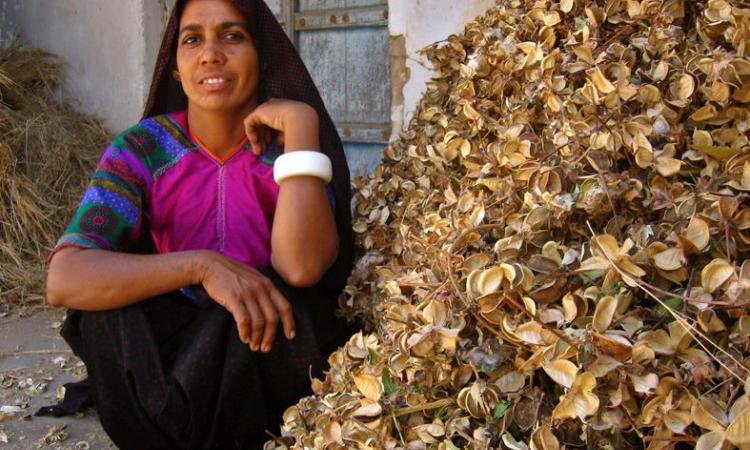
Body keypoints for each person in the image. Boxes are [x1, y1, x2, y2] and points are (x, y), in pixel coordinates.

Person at [42, 0, 355, 448]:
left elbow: (302, 267)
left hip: (261, 360)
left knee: (292, 300)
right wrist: (201, 267)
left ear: (262, 57)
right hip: (163, 376)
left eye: (232, 36)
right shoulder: (143, 149)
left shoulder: (291, 151)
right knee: (99, 309)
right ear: (175, 68)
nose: (211, 54)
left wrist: (303, 126)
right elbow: (63, 278)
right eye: (192, 39)